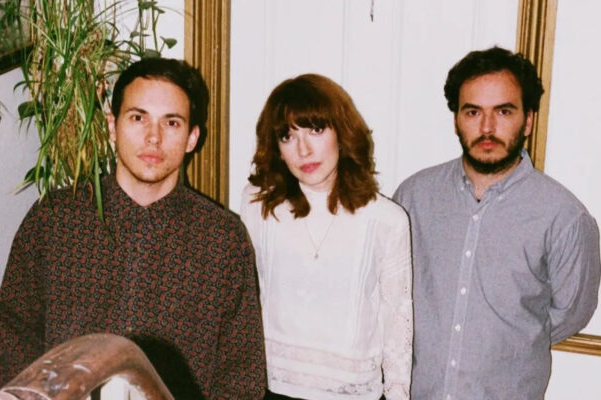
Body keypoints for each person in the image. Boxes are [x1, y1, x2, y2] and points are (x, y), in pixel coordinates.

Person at [0, 58, 266, 400]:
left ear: (192, 138)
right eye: (138, 118)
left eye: (171, 123)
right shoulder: (55, 220)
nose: (153, 137)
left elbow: (242, 376)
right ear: (111, 126)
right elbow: (12, 336)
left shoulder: (222, 240)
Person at [393, 46, 601, 399]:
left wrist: (507, 343)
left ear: (528, 120)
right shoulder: (413, 197)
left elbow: (571, 314)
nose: (487, 127)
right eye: (473, 112)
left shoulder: (564, 216)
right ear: (456, 119)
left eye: (503, 111)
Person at [241, 74, 412, 400]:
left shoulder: (386, 220)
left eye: (316, 130)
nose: (303, 150)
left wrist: (397, 394)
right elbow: (244, 301)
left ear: (341, 134)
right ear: (276, 148)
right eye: (288, 136)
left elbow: (397, 320)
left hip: (353, 394)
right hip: (273, 389)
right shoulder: (258, 204)